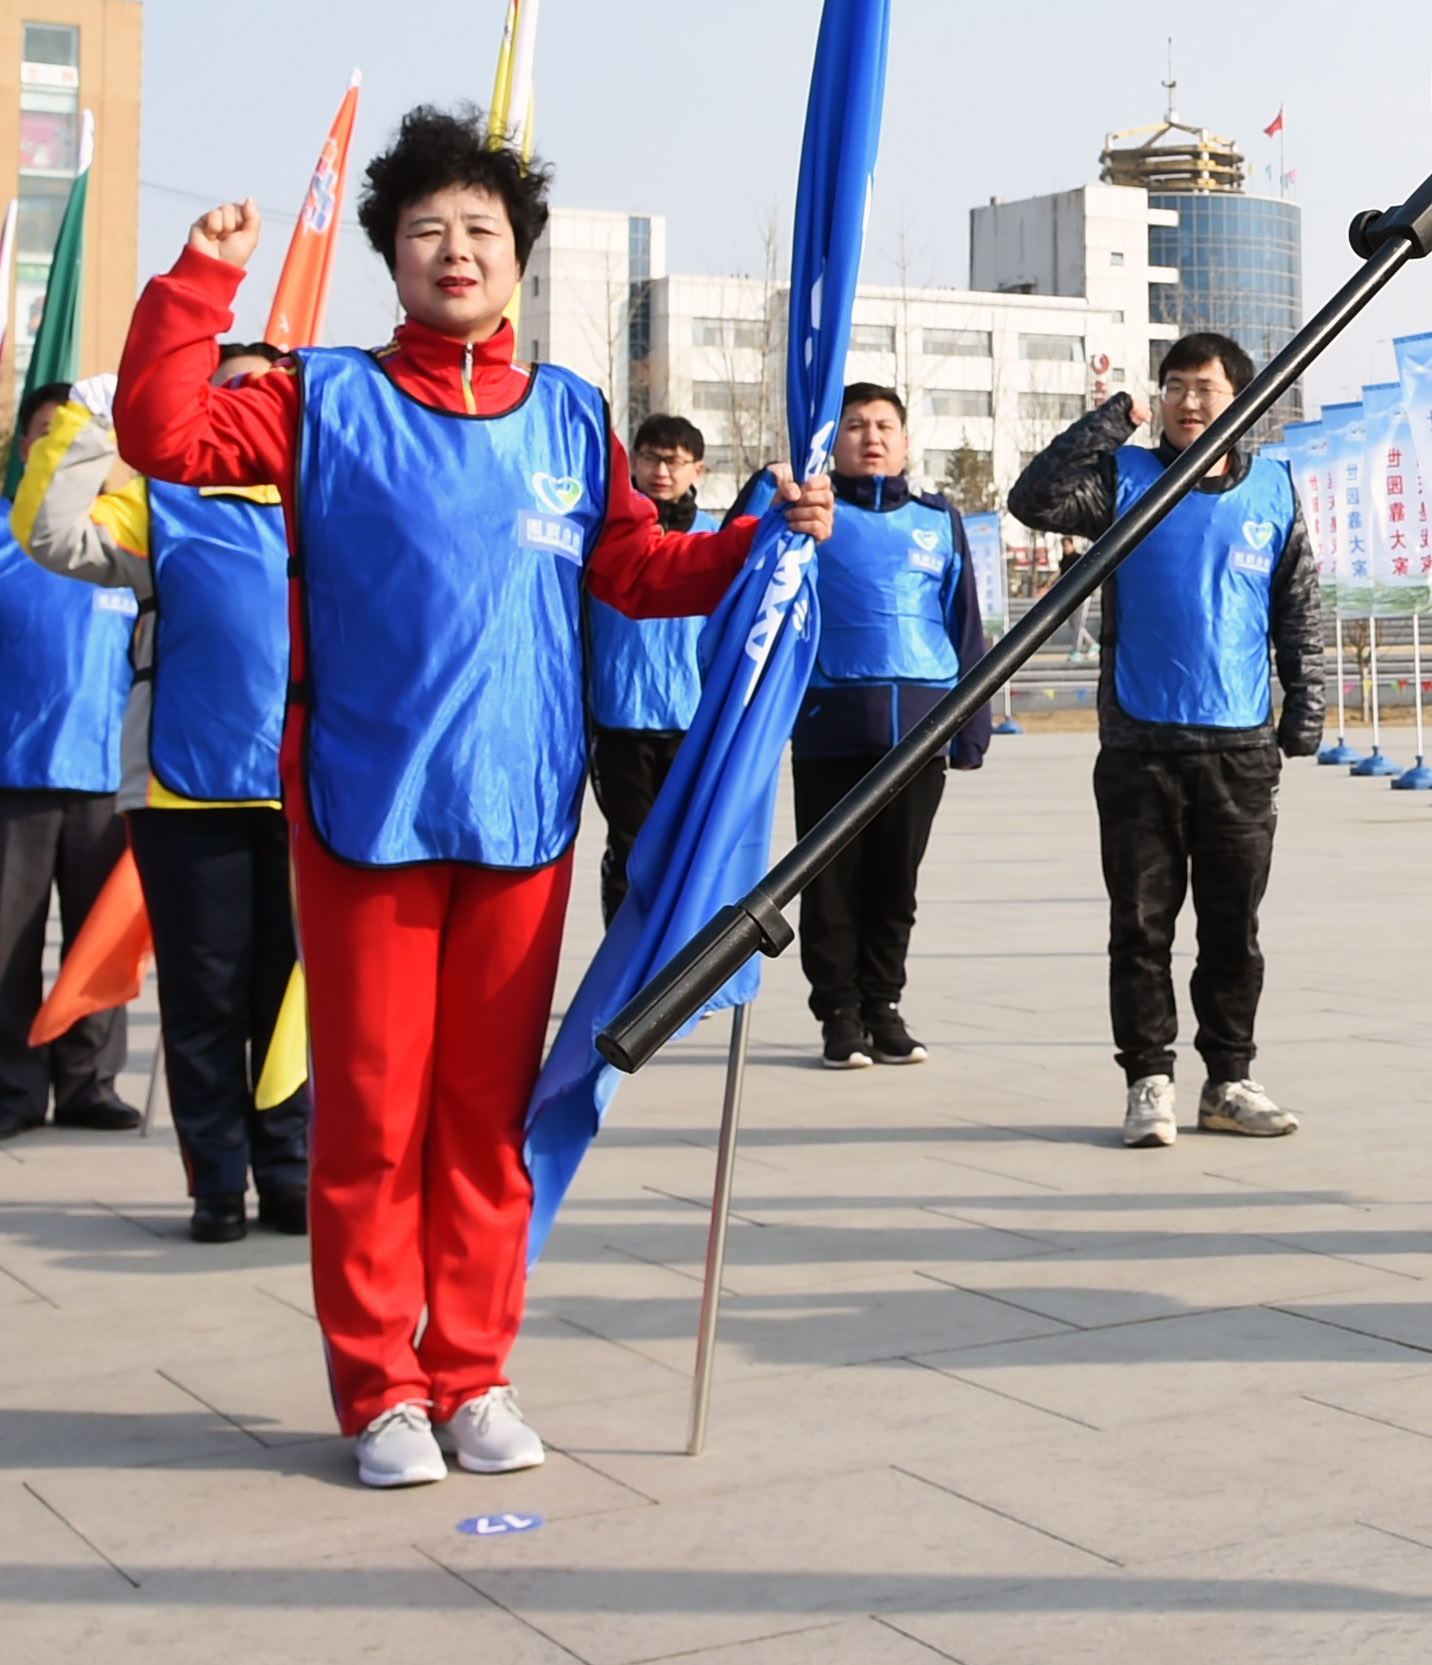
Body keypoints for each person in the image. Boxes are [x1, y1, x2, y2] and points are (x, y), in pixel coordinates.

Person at [114, 103, 830, 1491]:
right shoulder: (321, 396)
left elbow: (634, 571)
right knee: (373, 1115)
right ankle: (381, 1389)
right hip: (364, 807)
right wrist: (198, 283)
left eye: (483, 231)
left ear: (520, 259)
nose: (457, 250)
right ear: (392, 252)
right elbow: (163, 431)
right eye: (429, 228)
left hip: (518, 814)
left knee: (487, 1115)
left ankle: (473, 1373)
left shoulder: (569, 414)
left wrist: (758, 542)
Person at [15, 349, 309, 1240]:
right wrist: (89, 421)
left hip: (303, 794)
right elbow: (49, 532)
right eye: (231, 387)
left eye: (265, 389)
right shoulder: (159, 497)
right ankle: (217, 1180)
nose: (246, 402)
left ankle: (292, 1170)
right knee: (204, 993)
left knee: (292, 995)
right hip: (186, 788)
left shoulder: (321, 504)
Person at [1008, 331, 1321, 1145]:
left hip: (1240, 751)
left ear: (1243, 399)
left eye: (1207, 387)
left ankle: (1230, 1078)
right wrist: (1112, 420)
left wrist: (1306, 703)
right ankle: (1149, 1077)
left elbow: (1297, 609)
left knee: (1232, 930)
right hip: (1141, 745)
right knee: (1142, 925)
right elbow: (1033, 499)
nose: (1189, 401)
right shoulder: (1124, 482)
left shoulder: (1277, 492)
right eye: (1176, 385)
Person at [765, 384, 987, 1071]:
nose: (871, 436)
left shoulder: (938, 520)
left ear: (905, 438)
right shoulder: (809, 519)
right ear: (835, 442)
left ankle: (883, 1004)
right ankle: (838, 1013)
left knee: (897, 880)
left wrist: (970, 724)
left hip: (920, 730)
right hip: (832, 722)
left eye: (884, 424)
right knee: (829, 880)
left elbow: (966, 624)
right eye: (856, 425)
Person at [0, 382, 140, 1141]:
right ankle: (12, 1087)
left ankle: (89, 1081)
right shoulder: (8, 536)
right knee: (7, 941)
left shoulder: (122, 537)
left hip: (107, 775)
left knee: (99, 938)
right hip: (13, 773)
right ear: (28, 447)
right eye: (46, 430)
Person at [587, 413, 717, 922]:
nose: (661, 470)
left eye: (674, 460)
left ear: (697, 470)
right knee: (630, 852)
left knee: (686, 854)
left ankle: (678, 976)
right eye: (650, 457)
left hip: (691, 722)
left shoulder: (716, 536)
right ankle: (627, 985)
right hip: (619, 719)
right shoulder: (605, 536)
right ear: (633, 464)